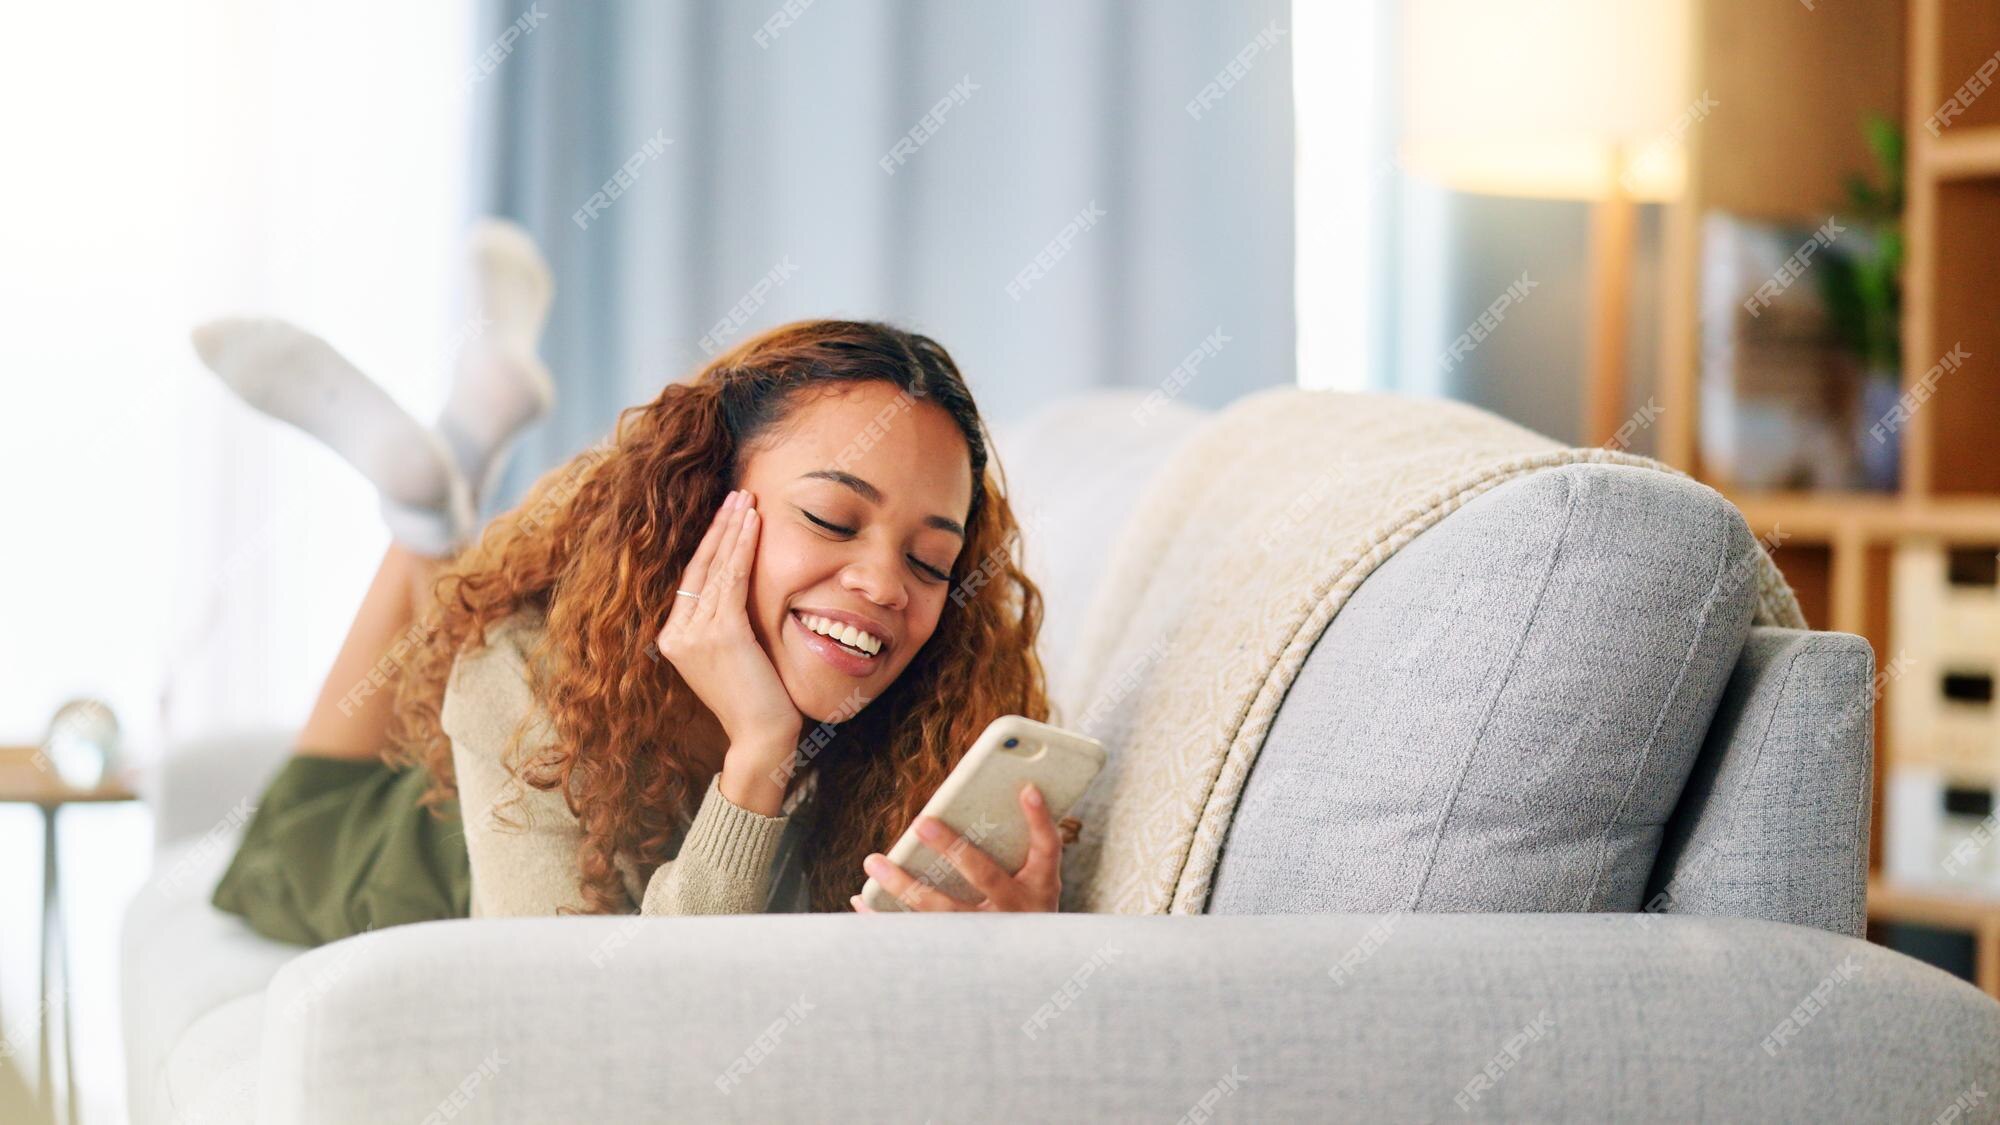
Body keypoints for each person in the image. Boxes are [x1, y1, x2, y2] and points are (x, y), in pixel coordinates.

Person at [198, 232, 1064, 944]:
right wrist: (759, 755)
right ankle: (420, 515)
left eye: (929, 561)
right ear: (707, 504)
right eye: (834, 520)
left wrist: (1016, 945)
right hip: (433, 851)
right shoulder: (527, 667)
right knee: (289, 834)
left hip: (513, 788)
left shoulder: (932, 717)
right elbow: (602, 1027)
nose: (883, 584)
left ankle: (438, 482)